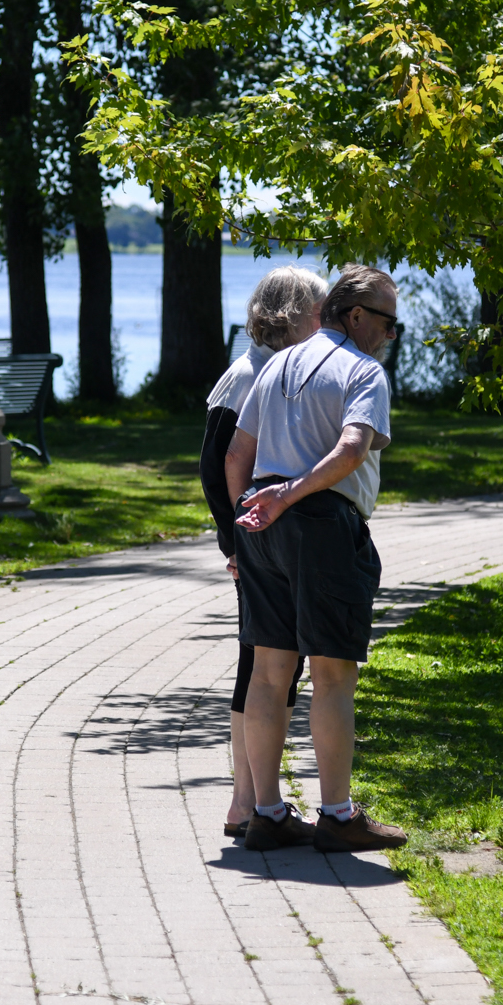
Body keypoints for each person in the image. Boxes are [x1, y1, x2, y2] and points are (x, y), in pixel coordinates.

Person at [226, 262, 408, 853]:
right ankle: (336, 815)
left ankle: (267, 813)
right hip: (321, 523)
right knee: (332, 675)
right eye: (386, 321)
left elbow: (236, 456)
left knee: (268, 672)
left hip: (263, 524)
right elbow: (352, 449)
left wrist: (249, 519)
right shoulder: (363, 372)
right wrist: (290, 496)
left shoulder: (276, 362)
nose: (390, 334)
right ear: (355, 316)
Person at [199, 267, 326, 840]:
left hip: (259, 537)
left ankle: (246, 800)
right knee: (264, 662)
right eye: (319, 311)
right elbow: (216, 464)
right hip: (258, 540)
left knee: (268, 661)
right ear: (295, 314)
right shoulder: (253, 373)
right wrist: (236, 541)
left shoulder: (266, 369)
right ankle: (247, 802)